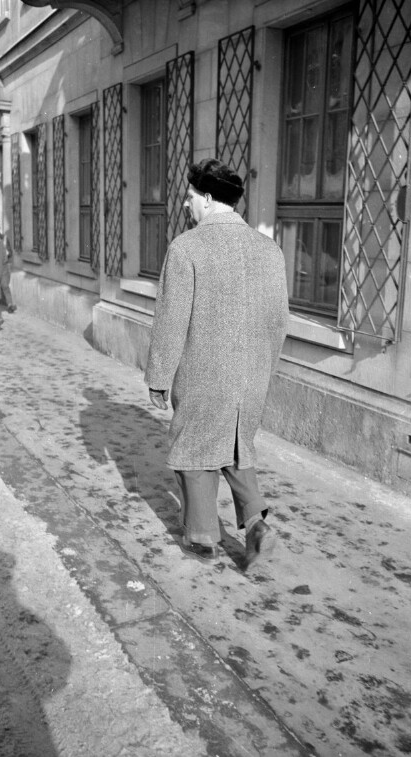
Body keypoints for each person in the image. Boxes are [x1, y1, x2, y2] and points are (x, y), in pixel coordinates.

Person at [145, 158, 289, 569]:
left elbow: (171, 321)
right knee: (237, 447)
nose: (187, 206)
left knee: (193, 449)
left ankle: (203, 537)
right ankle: (258, 527)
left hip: (202, 374)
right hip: (250, 380)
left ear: (207, 199)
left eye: (190, 198)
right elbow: (279, 321)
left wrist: (158, 377)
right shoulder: (269, 249)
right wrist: (262, 368)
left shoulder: (187, 247)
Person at [0, 220, 16, 313]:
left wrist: (7, 252)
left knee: (5, 285)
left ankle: (10, 305)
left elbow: (10, 251)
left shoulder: (4, 238)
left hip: (4, 266)